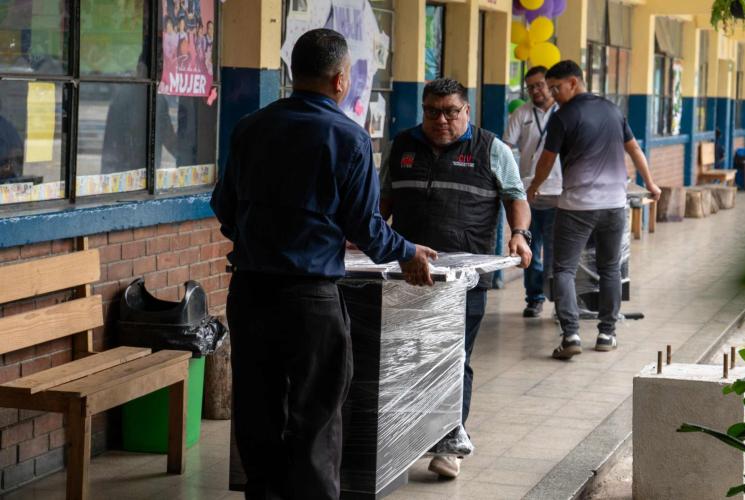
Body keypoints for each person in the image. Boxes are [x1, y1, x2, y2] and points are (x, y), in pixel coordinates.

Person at [211, 29, 437, 500]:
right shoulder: (348, 137)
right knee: (317, 411)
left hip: (249, 293)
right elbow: (367, 229)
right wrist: (409, 252)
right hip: (310, 299)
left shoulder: (250, 127)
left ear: (293, 74)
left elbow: (224, 206)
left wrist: (259, 240)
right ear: (341, 80)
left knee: (257, 405)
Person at [380, 78, 533, 479]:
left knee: (454, 357)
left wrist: (518, 234)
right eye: (432, 112)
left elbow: (516, 196)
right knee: (404, 357)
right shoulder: (401, 147)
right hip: (405, 275)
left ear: (467, 111)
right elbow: (381, 204)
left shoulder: (490, 148)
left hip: (464, 281)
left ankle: (449, 442)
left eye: (451, 111)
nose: (441, 120)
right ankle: (403, 438)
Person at [527, 60, 661, 360]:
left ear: (574, 83)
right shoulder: (613, 110)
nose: (552, 94)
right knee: (610, 268)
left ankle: (571, 334)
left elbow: (547, 160)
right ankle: (606, 333)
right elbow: (635, 149)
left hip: (576, 207)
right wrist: (651, 183)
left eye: (556, 88)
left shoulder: (563, 117)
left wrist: (534, 186)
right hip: (614, 205)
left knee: (563, 269)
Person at [504, 66, 562, 318]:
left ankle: (560, 303)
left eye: (540, 85)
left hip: (561, 193)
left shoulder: (565, 112)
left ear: (549, 84)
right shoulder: (521, 113)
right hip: (529, 196)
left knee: (556, 254)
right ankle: (534, 299)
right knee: (529, 250)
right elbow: (505, 148)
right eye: (530, 87)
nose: (536, 90)